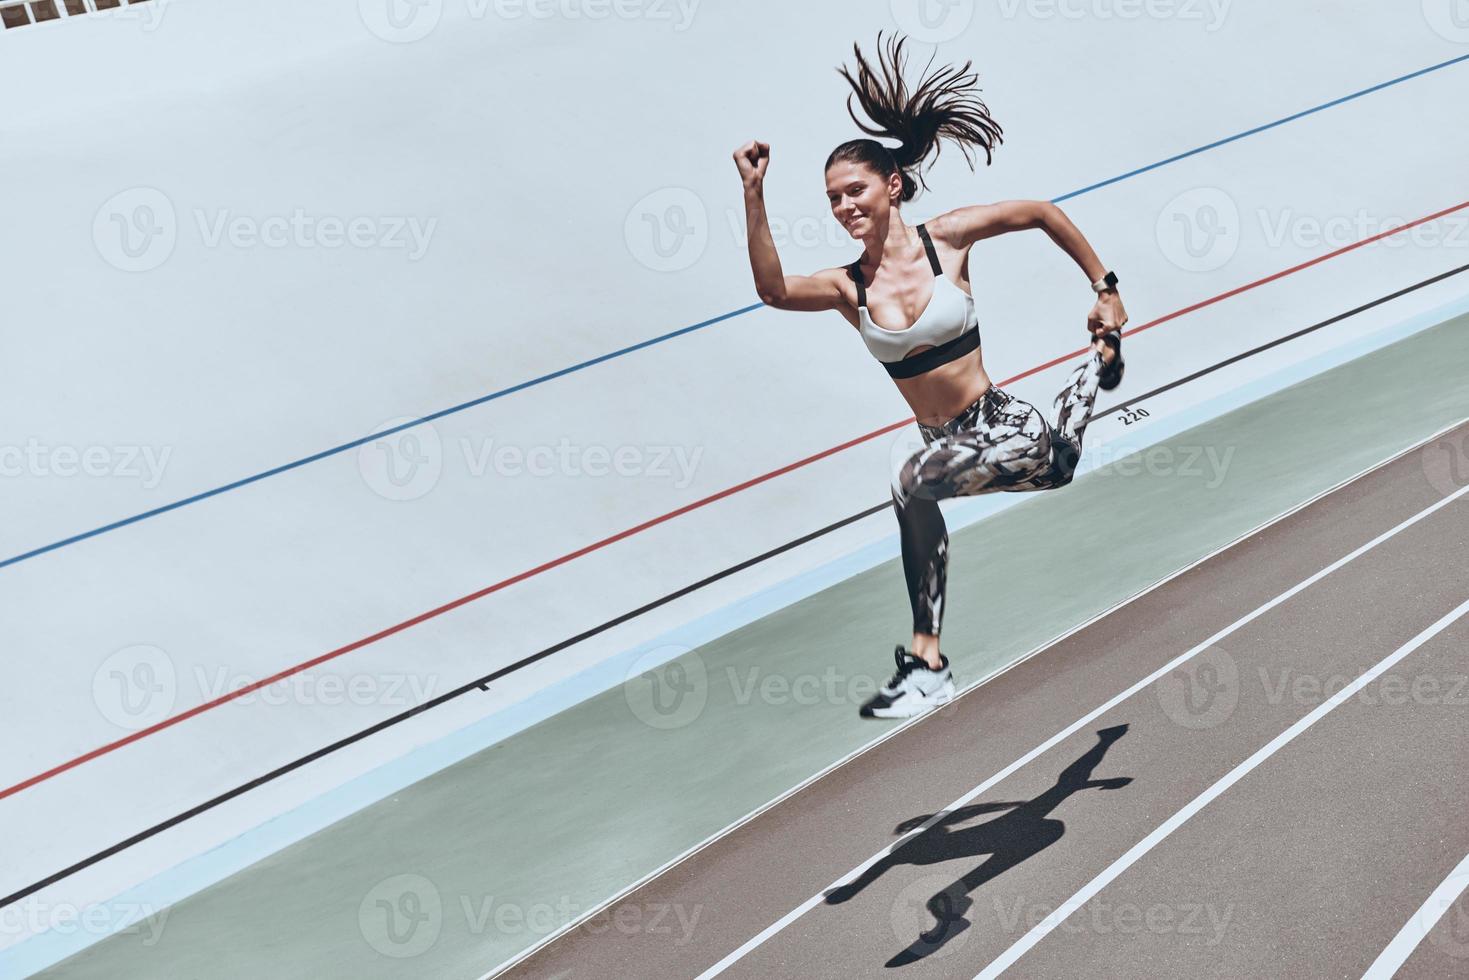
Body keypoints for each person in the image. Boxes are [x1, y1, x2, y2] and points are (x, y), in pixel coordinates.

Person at [732, 33, 1129, 719]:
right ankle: (927, 662)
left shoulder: (944, 239)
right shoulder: (845, 286)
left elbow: (1039, 213)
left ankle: (1100, 355)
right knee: (910, 470)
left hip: (1000, 425)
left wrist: (1105, 286)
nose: (842, 207)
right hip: (945, 443)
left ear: (890, 186)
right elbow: (771, 290)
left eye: (852, 190)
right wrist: (752, 193)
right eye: (831, 199)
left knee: (972, 471)